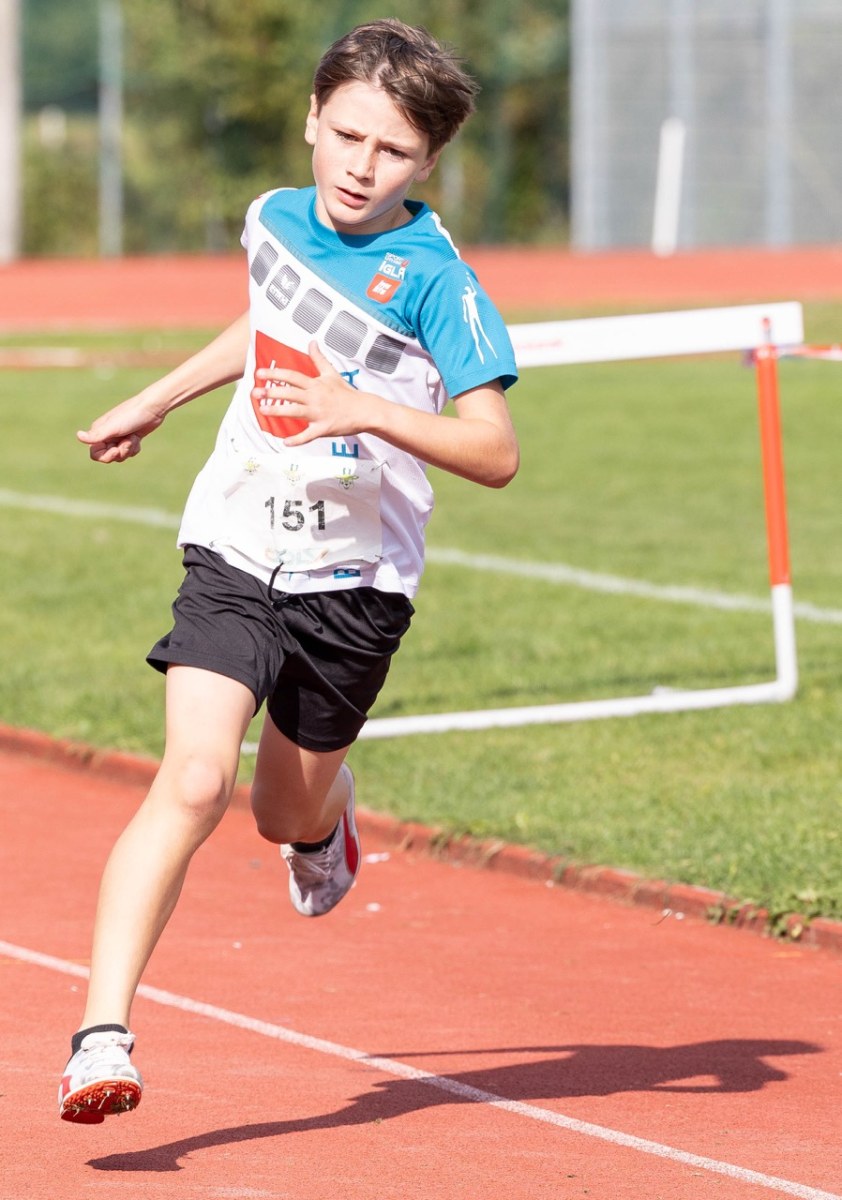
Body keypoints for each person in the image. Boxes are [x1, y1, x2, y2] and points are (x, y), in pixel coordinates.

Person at [58, 17, 519, 1124]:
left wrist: (364, 409)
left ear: (427, 162)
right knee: (192, 780)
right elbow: (268, 321)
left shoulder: (438, 283)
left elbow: (494, 451)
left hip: (355, 580)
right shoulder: (271, 218)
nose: (361, 165)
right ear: (311, 118)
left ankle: (323, 823)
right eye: (347, 134)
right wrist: (158, 399)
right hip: (236, 539)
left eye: (392, 150)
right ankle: (99, 1038)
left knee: (277, 810)